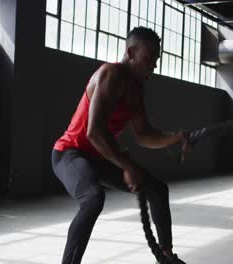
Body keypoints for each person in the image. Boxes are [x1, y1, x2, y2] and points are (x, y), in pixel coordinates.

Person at [51, 26, 188, 264]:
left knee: (157, 190)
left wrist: (174, 138)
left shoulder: (136, 89)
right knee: (93, 199)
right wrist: (126, 165)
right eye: (149, 59)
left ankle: (165, 256)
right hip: (70, 153)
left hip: (100, 156)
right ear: (131, 52)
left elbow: (144, 134)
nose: (154, 66)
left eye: (156, 60)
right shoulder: (110, 75)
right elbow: (94, 132)